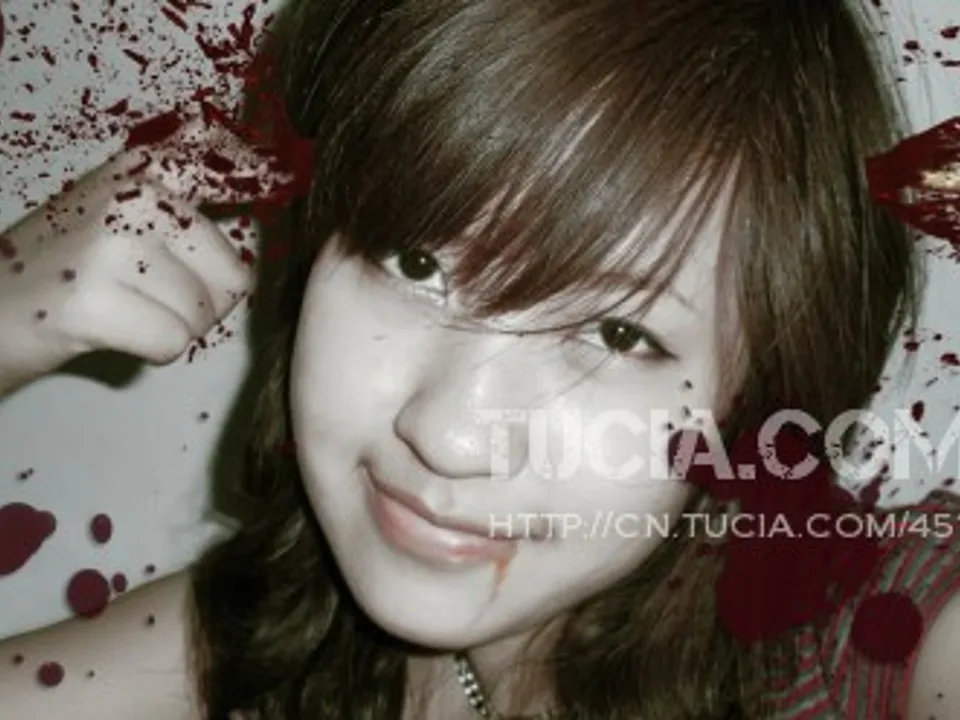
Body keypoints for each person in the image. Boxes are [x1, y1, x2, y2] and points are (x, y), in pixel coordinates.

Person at [1, 0, 959, 718]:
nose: (451, 436)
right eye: (416, 265)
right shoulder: (284, 629)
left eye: (618, 333)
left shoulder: (858, 644)